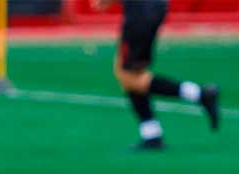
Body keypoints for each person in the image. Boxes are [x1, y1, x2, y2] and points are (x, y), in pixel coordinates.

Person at [95, 0, 221, 149]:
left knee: (129, 76)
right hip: (146, 8)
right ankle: (152, 135)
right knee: (127, 72)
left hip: (141, 10)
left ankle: (200, 94)